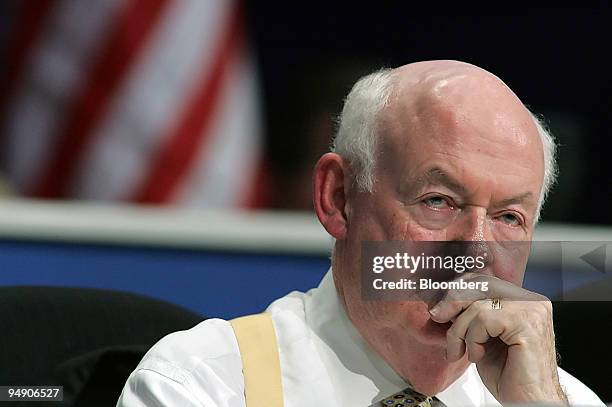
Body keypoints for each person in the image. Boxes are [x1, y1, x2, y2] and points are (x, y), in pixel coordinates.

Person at [116, 60, 604, 406]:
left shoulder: (560, 400)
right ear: (339, 197)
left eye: (508, 218)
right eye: (438, 201)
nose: (475, 251)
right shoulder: (205, 385)